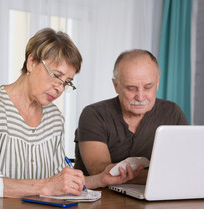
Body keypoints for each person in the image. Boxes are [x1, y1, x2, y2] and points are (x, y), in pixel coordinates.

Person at [0, 28, 126, 202]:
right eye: (56, 75)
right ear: (31, 62)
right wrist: (46, 186)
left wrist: (100, 179)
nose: (59, 88)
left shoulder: (54, 117)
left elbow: (59, 181)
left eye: (67, 82)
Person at [74, 49, 188, 184]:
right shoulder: (94, 115)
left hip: (154, 198)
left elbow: (186, 166)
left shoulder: (172, 113)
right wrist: (160, 175)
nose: (140, 97)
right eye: (131, 88)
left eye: (148, 87)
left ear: (157, 84)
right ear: (116, 86)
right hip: (101, 201)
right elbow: (102, 172)